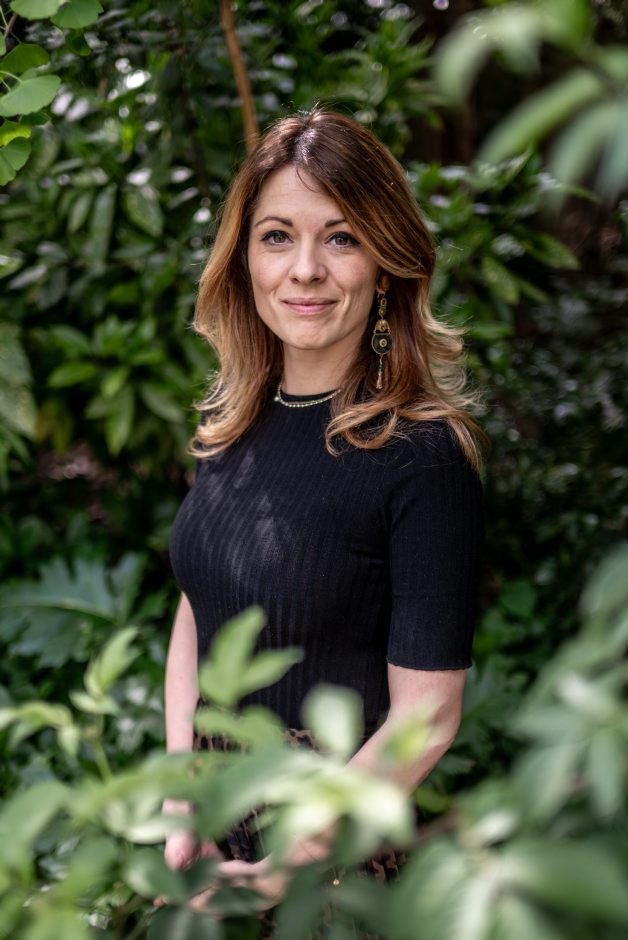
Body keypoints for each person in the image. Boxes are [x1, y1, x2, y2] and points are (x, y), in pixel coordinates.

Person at [163, 108, 484, 910]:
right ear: (244, 259)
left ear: (386, 265)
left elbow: (427, 718)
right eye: (277, 236)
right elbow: (200, 609)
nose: (304, 269)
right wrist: (181, 801)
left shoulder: (422, 457)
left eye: (341, 238)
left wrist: (287, 867)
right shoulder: (232, 424)